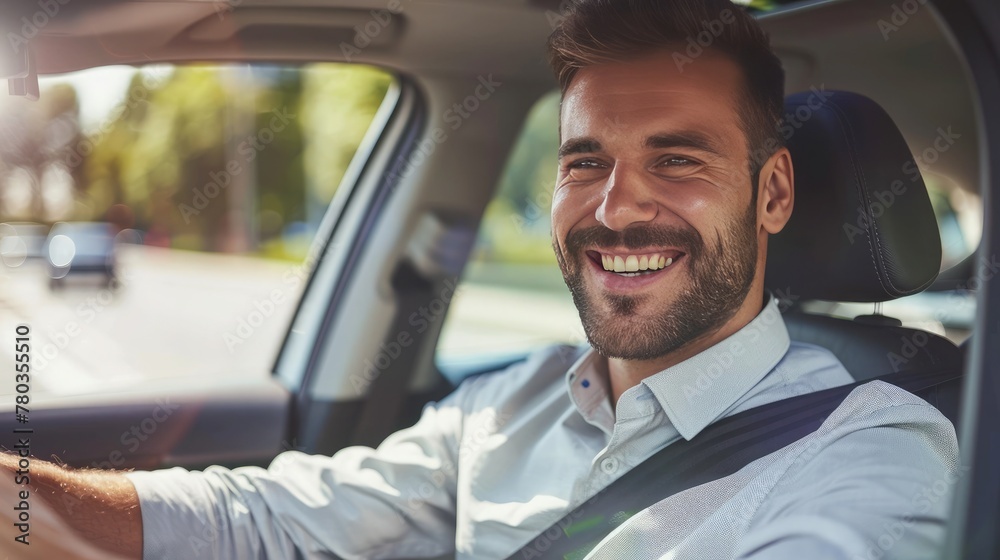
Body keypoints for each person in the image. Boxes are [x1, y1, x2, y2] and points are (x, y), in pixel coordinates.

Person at [0, 0, 960, 558]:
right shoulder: (510, 401)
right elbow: (270, 519)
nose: (617, 209)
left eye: (678, 160)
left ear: (775, 193)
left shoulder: (879, 447)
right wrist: (19, 499)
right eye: (585, 162)